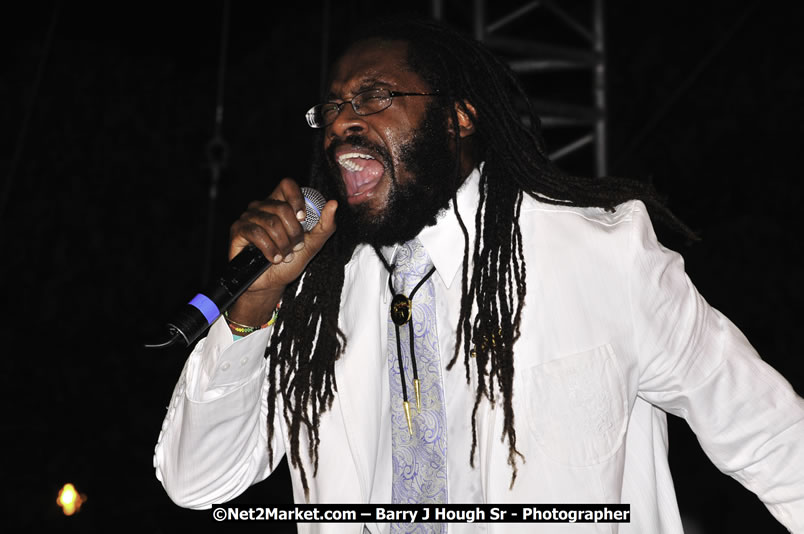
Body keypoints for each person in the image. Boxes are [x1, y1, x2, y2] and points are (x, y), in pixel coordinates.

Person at [154, 18, 804, 533]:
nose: (342, 122)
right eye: (331, 109)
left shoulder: (598, 253)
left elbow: (770, 436)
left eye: (373, 96)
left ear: (459, 115)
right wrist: (252, 309)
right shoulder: (318, 302)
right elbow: (196, 479)